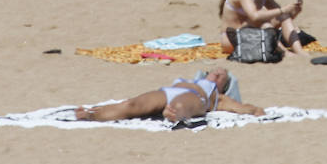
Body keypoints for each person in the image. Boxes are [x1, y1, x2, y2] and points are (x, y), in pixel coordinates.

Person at [73, 68, 263, 122]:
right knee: (131, 105)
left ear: (224, 85)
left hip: (196, 98)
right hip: (168, 92)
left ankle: (173, 114)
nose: (215, 73)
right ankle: (91, 114)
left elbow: (242, 108)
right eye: (213, 71)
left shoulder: (219, 97)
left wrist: (256, 110)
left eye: (221, 75)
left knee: (181, 107)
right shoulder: (189, 80)